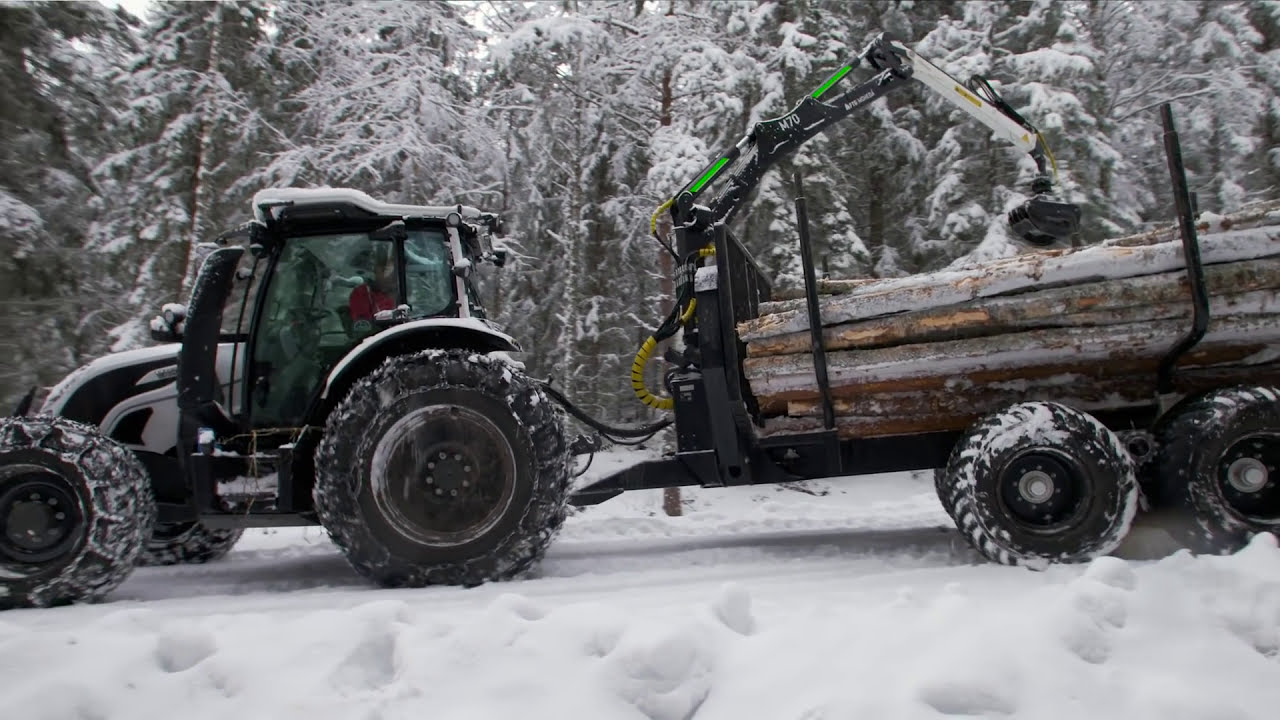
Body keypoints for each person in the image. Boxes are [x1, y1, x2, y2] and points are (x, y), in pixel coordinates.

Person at [349, 246, 397, 333]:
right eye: (385, 269)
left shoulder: (405, 291)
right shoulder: (362, 294)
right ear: (373, 271)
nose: (391, 274)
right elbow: (364, 328)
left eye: (394, 270)